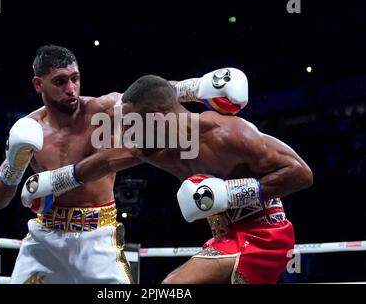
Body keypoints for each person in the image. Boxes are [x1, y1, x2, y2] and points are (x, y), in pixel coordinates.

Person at [0, 45, 249, 284]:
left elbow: (148, 96)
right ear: (38, 84)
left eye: (75, 78)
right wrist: (14, 166)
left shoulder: (102, 111)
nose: (71, 89)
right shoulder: (29, 130)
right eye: (60, 81)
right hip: (44, 237)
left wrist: (198, 87)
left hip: (98, 236)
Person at [22, 74, 313, 284]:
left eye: (135, 125)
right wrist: (53, 181)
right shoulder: (152, 146)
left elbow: (301, 173)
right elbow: (101, 163)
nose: (130, 135)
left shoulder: (226, 134)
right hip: (224, 236)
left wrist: (231, 193)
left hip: (265, 233)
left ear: (160, 118)